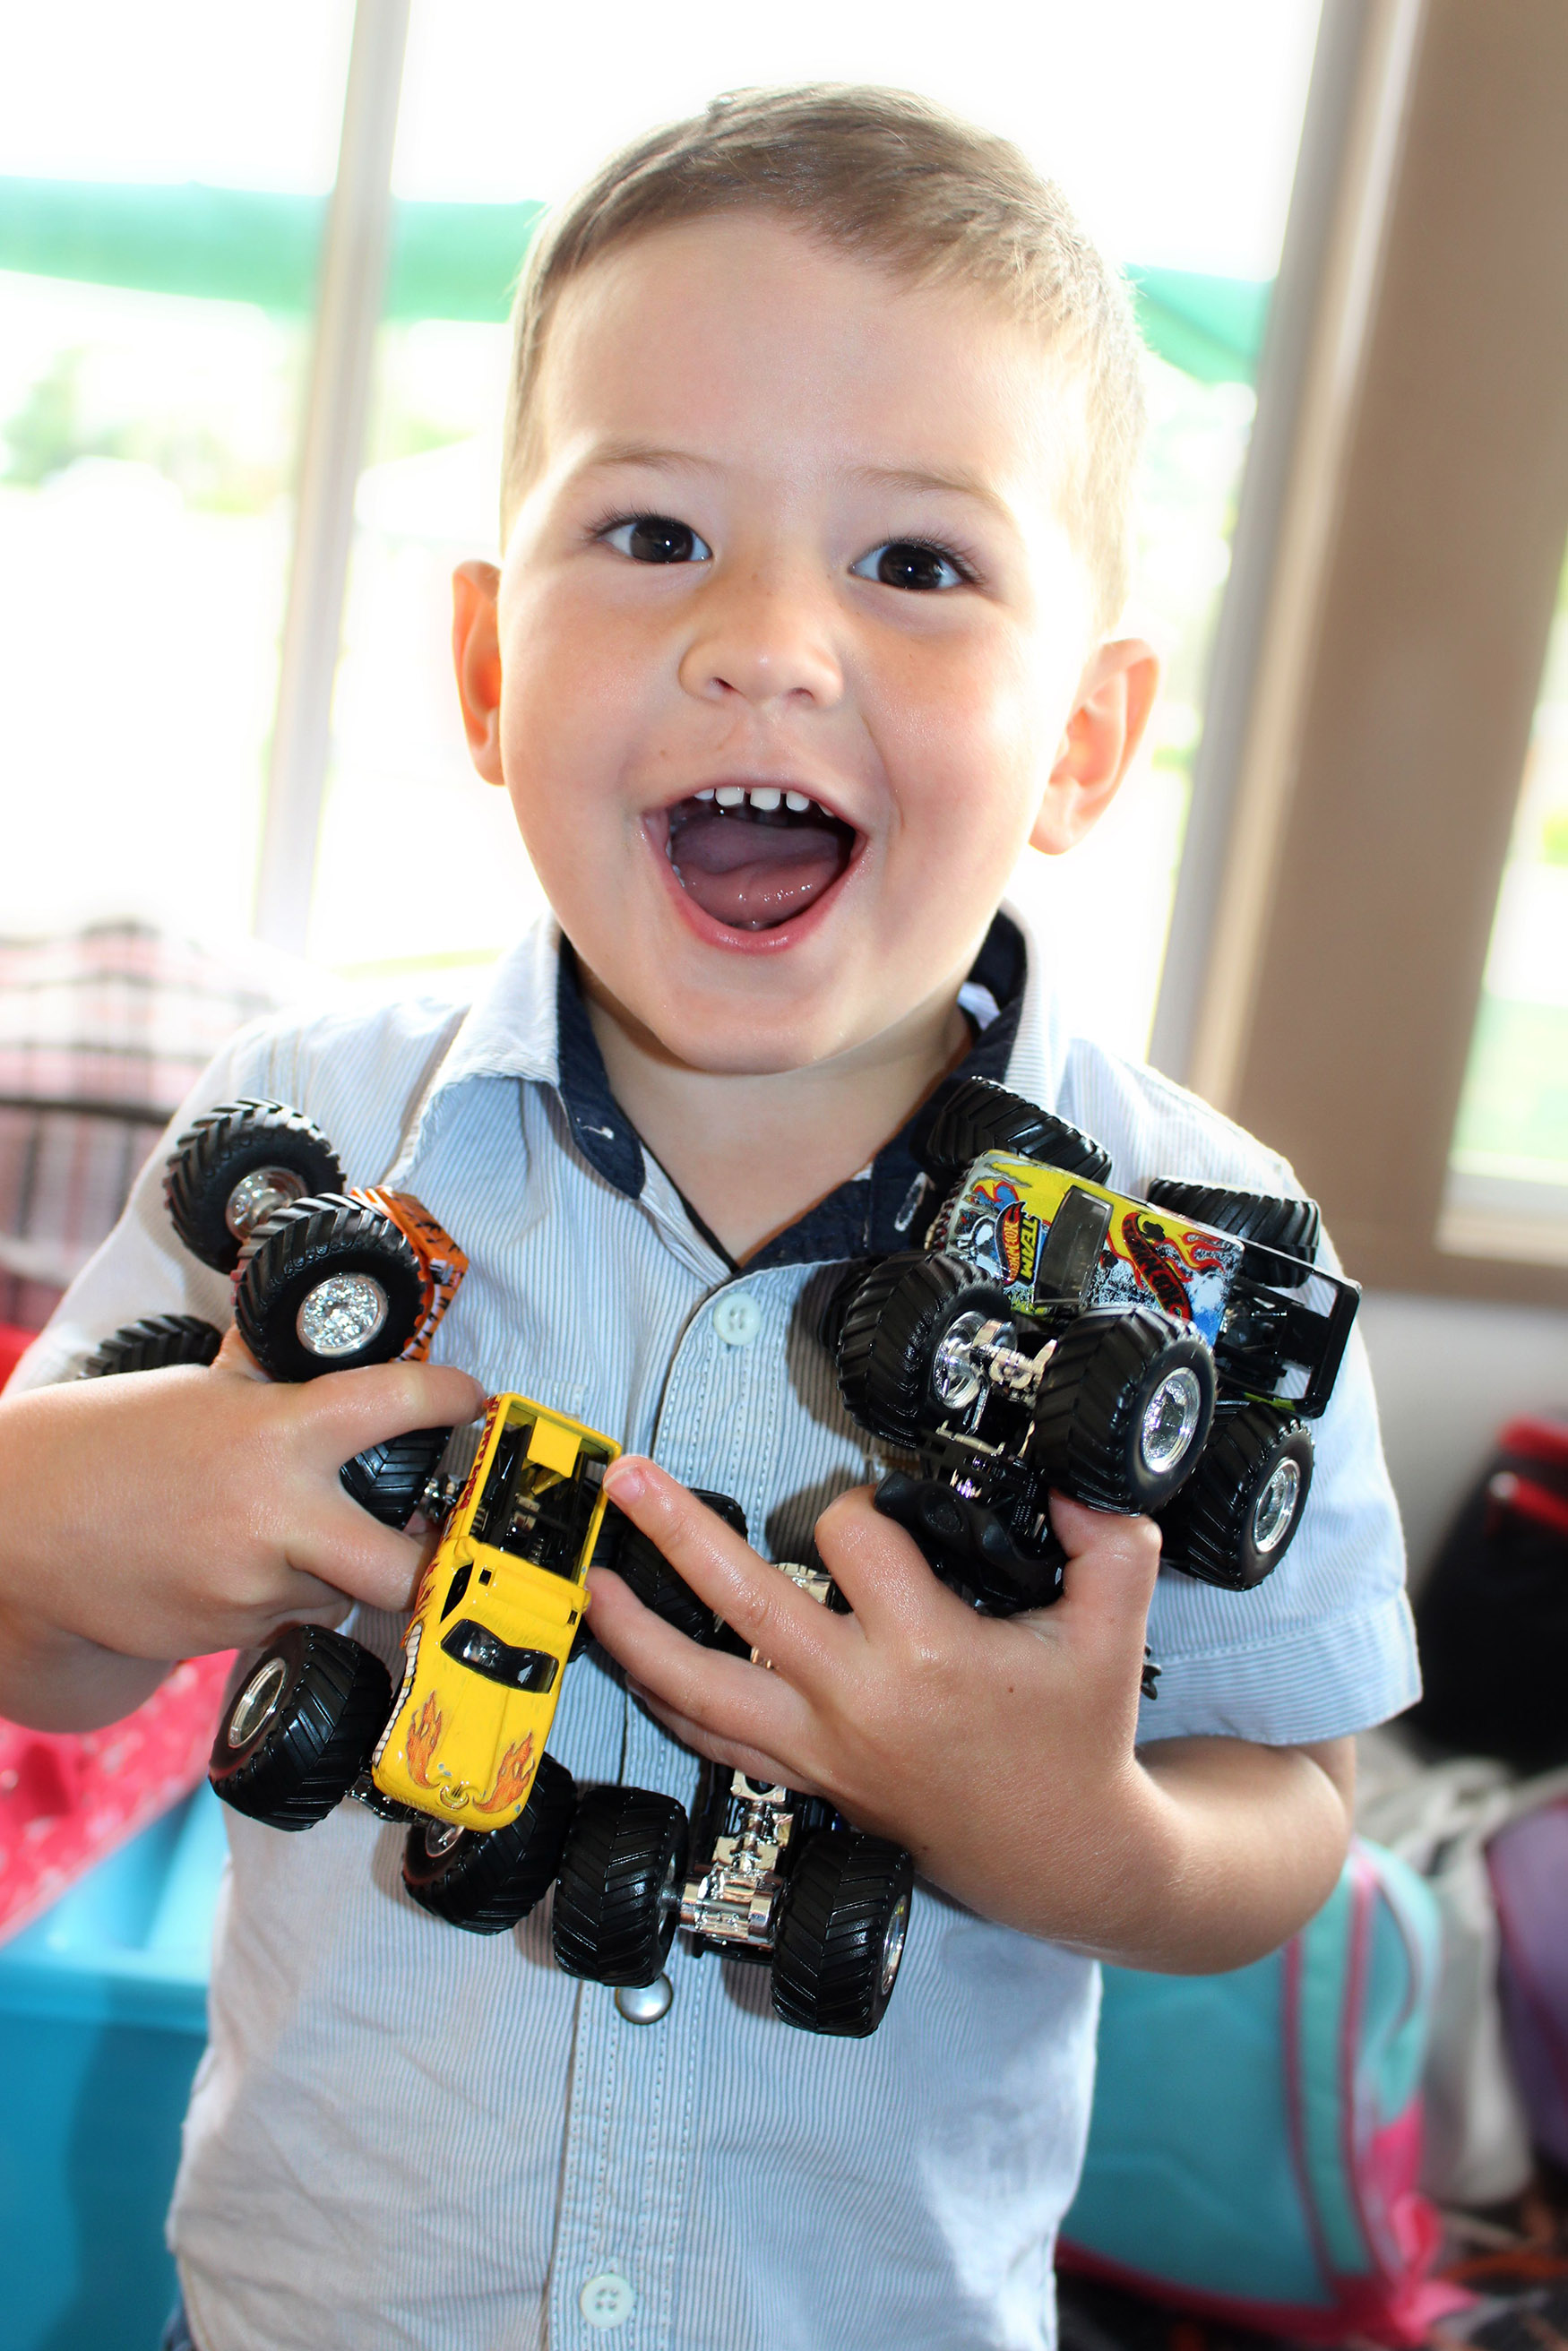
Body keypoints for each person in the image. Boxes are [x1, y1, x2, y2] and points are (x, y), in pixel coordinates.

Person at [0, 87, 1417, 2351]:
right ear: (485, 668)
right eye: (652, 533)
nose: (764, 640)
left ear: (1084, 736)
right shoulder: (314, 1143)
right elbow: (43, 1650)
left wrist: (1076, 1836)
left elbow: (1290, 1804)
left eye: (916, 563)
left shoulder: (1203, 1250)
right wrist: (83, 1504)